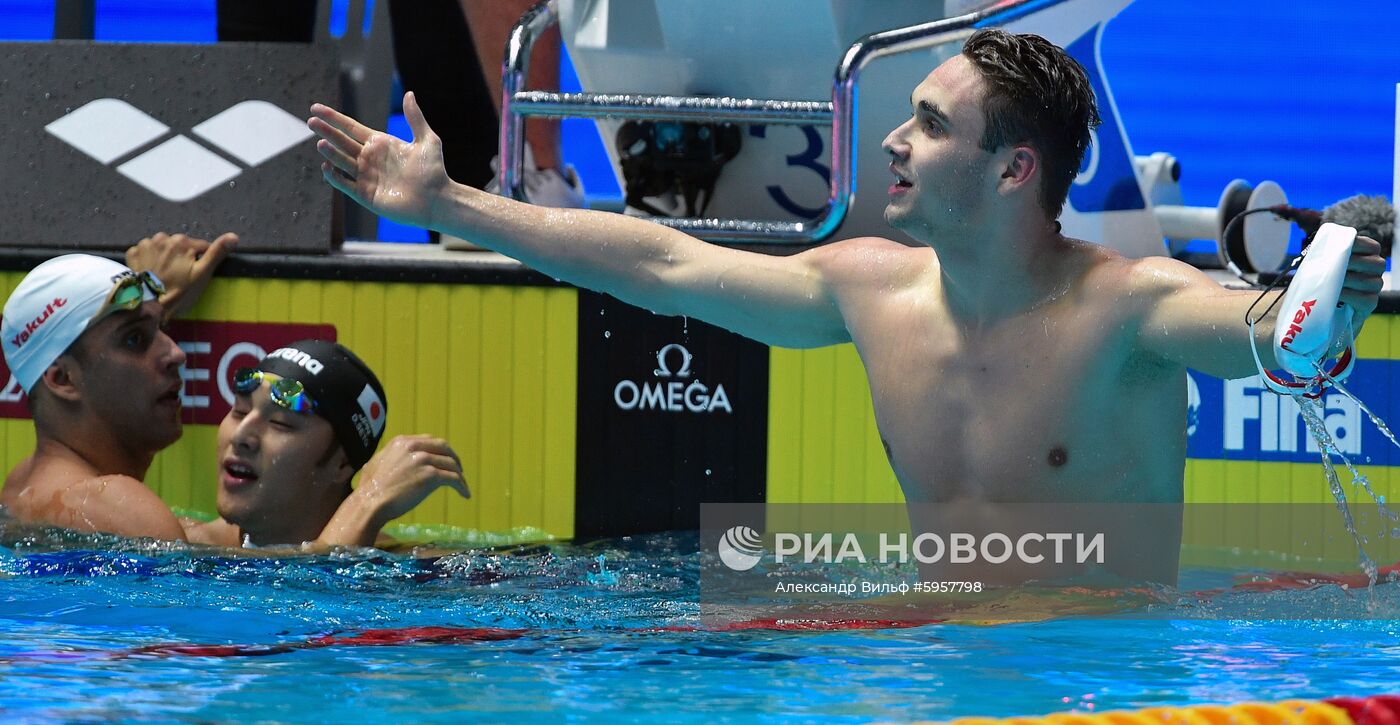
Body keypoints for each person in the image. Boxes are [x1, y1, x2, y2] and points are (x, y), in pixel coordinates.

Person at [308, 29, 1385, 578]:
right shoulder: (870, 286)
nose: (890, 139)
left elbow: (1283, 345)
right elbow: (659, 263)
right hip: (920, 659)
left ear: (1012, 171)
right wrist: (451, 201)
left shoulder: (1131, 307)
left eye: (924, 122)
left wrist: (1343, 268)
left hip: (1095, 680)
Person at [0, 234, 466, 547]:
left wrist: (154, 306)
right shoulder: (110, 505)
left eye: (161, 327)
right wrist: (368, 501)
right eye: (135, 339)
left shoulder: (31, 485)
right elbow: (272, 617)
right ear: (61, 380)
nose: (176, 354)